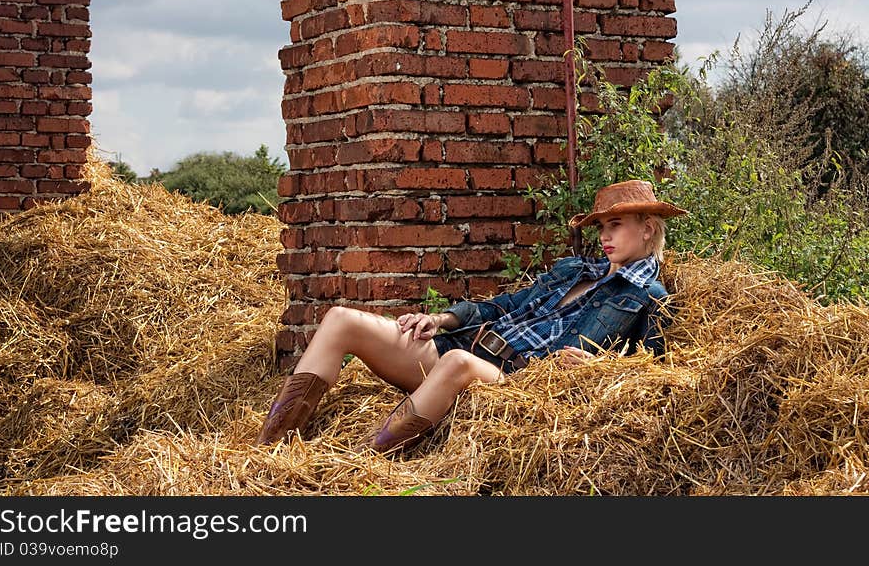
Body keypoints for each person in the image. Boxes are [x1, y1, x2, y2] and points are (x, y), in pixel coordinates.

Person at [255, 179, 687, 452]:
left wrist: (601, 366)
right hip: (463, 347)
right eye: (602, 227)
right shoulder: (574, 270)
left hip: (514, 381)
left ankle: (355, 472)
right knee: (340, 319)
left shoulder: (649, 296)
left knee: (456, 365)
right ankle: (268, 453)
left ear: (648, 228)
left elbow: (654, 370)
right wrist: (440, 320)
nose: (606, 236)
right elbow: (502, 307)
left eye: (617, 225)